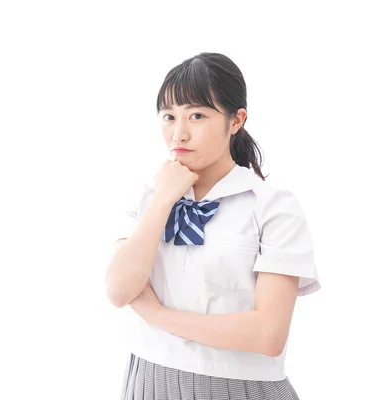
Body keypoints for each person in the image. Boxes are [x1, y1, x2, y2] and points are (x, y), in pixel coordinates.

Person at [105, 52, 322, 400]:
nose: (179, 133)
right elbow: (118, 290)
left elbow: (267, 334)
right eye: (169, 116)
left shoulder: (272, 206)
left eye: (197, 115)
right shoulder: (147, 197)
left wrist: (157, 315)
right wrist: (164, 200)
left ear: (236, 121)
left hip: (241, 390)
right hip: (147, 383)